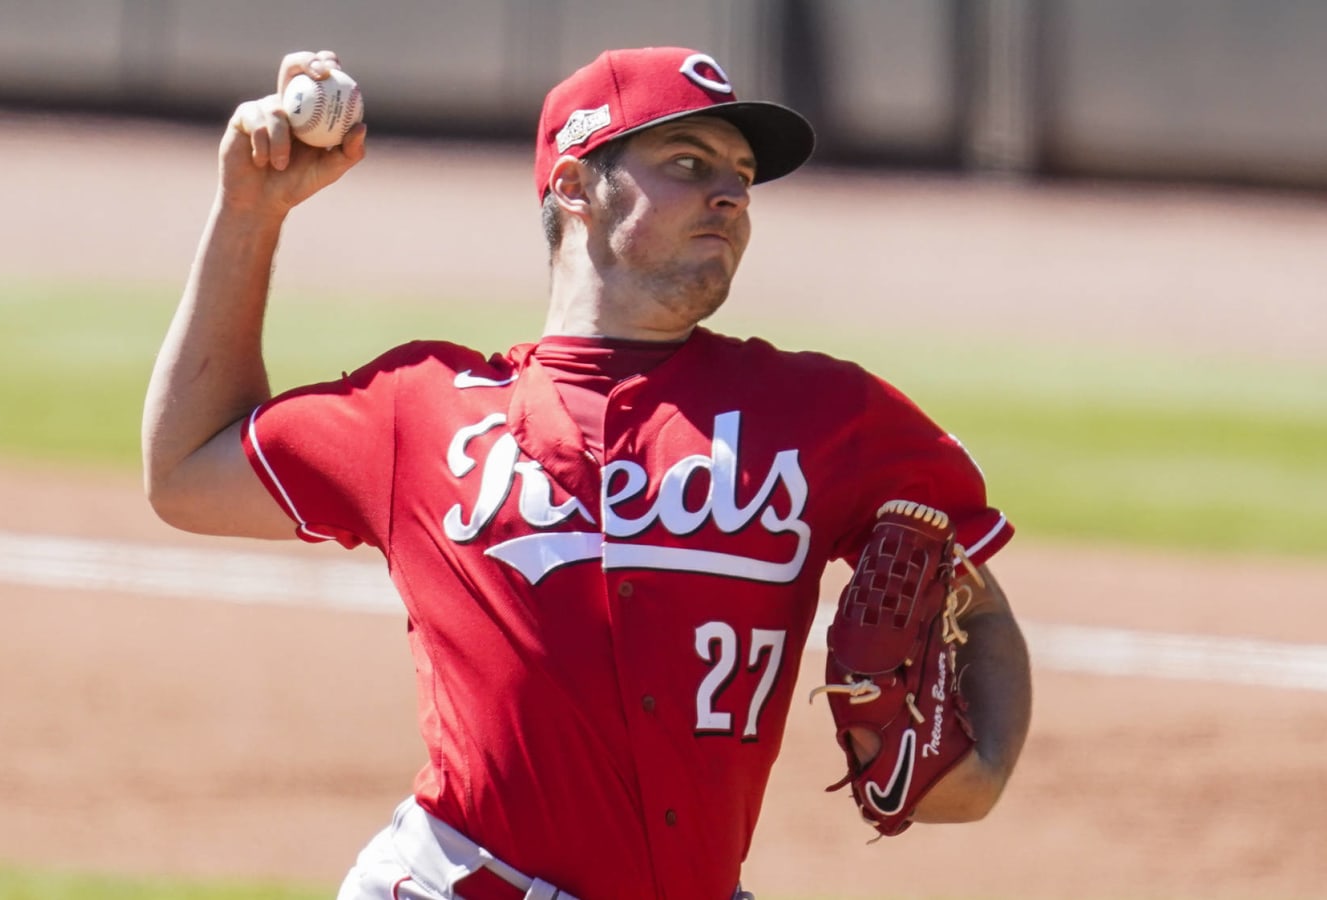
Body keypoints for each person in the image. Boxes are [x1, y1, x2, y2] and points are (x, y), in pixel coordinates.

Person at [142, 46, 1032, 900]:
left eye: (742, 176)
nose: (728, 192)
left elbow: (973, 600)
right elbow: (187, 468)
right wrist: (250, 213)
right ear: (572, 185)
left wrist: (973, 768)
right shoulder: (423, 409)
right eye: (688, 161)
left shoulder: (830, 417)